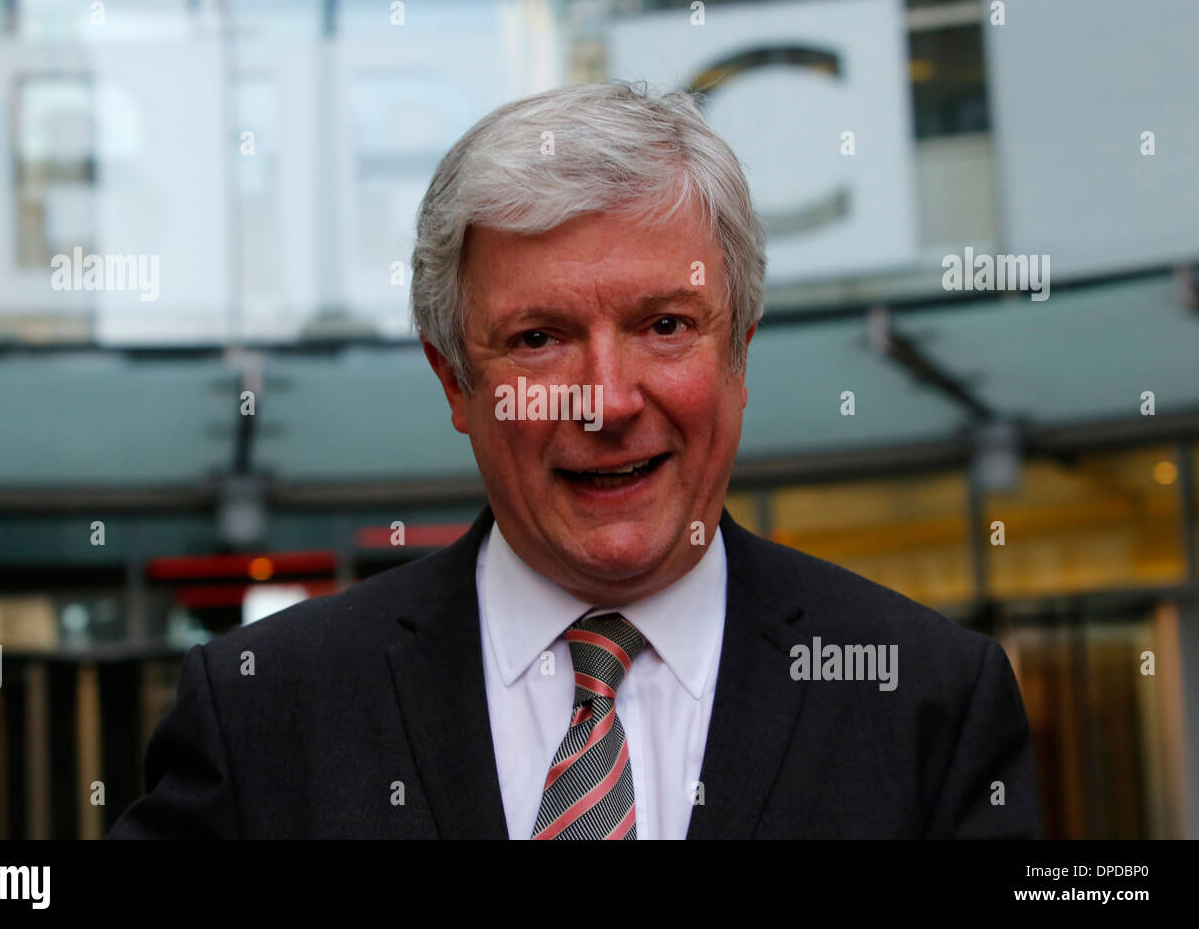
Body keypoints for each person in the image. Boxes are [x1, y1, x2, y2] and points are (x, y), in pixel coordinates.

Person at [109, 81, 1039, 839]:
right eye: (539, 338)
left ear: (739, 354)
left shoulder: (929, 700)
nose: (606, 399)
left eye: (665, 326)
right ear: (454, 383)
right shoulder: (263, 714)